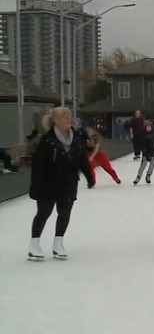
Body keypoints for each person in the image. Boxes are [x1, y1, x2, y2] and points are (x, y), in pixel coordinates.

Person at [27, 107, 94, 261]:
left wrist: (89, 176)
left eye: (69, 116)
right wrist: (35, 186)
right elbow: (38, 166)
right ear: (55, 120)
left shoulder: (77, 138)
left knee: (64, 212)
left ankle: (58, 243)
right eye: (64, 117)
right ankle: (34, 244)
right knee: (44, 212)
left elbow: (82, 159)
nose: (68, 119)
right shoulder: (47, 140)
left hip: (69, 183)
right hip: (48, 184)